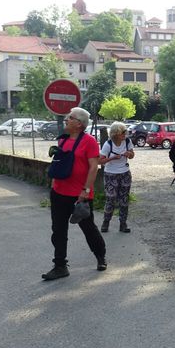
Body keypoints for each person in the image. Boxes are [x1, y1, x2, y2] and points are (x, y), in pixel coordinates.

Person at [42, 107, 107, 280]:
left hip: (79, 195)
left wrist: (86, 190)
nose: (66, 120)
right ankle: (60, 266)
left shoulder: (89, 141)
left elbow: (94, 167)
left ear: (79, 124)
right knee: (58, 230)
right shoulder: (63, 140)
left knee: (88, 228)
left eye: (69, 118)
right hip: (59, 192)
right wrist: (54, 182)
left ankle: (100, 256)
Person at [98, 121, 134, 233]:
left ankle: (123, 224)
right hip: (111, 174)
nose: (125, 134)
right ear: (116, 133)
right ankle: (106, 222)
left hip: (125, 173)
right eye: (123, 132)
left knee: (124, 199)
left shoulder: (127, 141)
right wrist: (112, 158)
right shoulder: (108, 144)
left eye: (125, 132)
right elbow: (100, 161)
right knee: (111, 198)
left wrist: (129, 154)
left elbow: (132, 155)